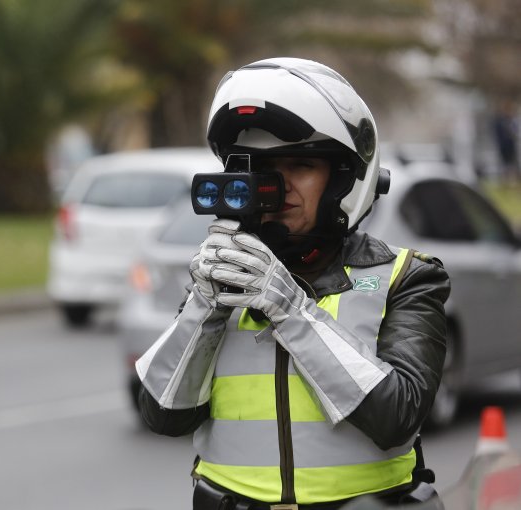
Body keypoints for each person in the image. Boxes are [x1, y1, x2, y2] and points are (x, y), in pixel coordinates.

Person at [135, 57, 451, 509]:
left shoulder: (407, 277)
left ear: (344, 178)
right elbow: (164, 415)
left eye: (300, 165)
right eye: (261, 169)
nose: (276, 188)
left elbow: (397, 415)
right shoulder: (227, 278)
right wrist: (203, 308)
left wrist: (290, 308)